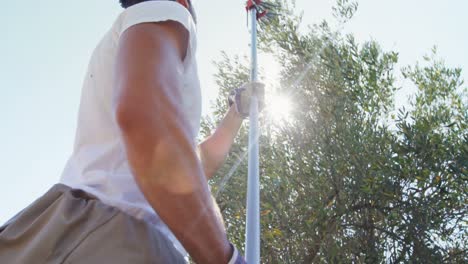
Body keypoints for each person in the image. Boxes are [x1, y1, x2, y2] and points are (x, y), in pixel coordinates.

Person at [0, 0, 264, 263]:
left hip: (65, 229)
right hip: (117, 236)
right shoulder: (167, 11)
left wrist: (236, 114)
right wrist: (223, 257)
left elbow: (190, 163)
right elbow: (146, 125)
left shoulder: (134, 41)